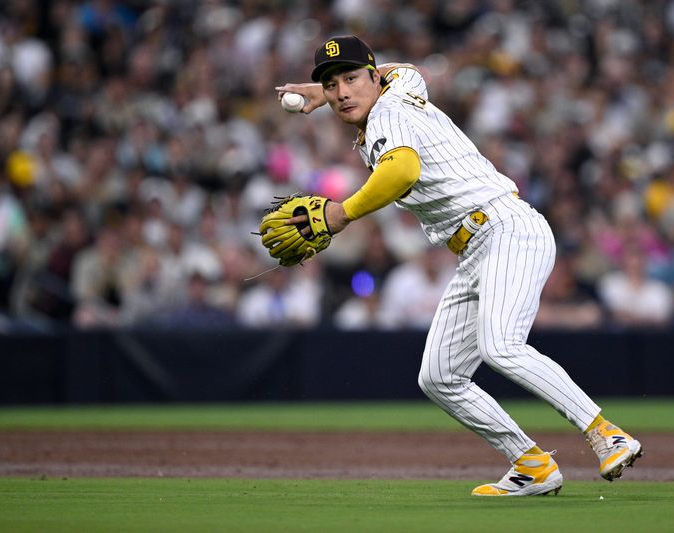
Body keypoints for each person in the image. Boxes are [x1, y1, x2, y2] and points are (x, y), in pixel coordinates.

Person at [275, 35, 642, 496]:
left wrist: (342, 213)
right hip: (477, 247)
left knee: (500, 346)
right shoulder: (402, 86)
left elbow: (402, 171)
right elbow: (409, 68)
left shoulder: (388, 113)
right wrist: (323, 90)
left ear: (372, 78)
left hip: (507, 228)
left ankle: (604, 432)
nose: (343, 92)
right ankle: (531, 463)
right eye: (332, 85)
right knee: (440, 376)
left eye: (352, 79)